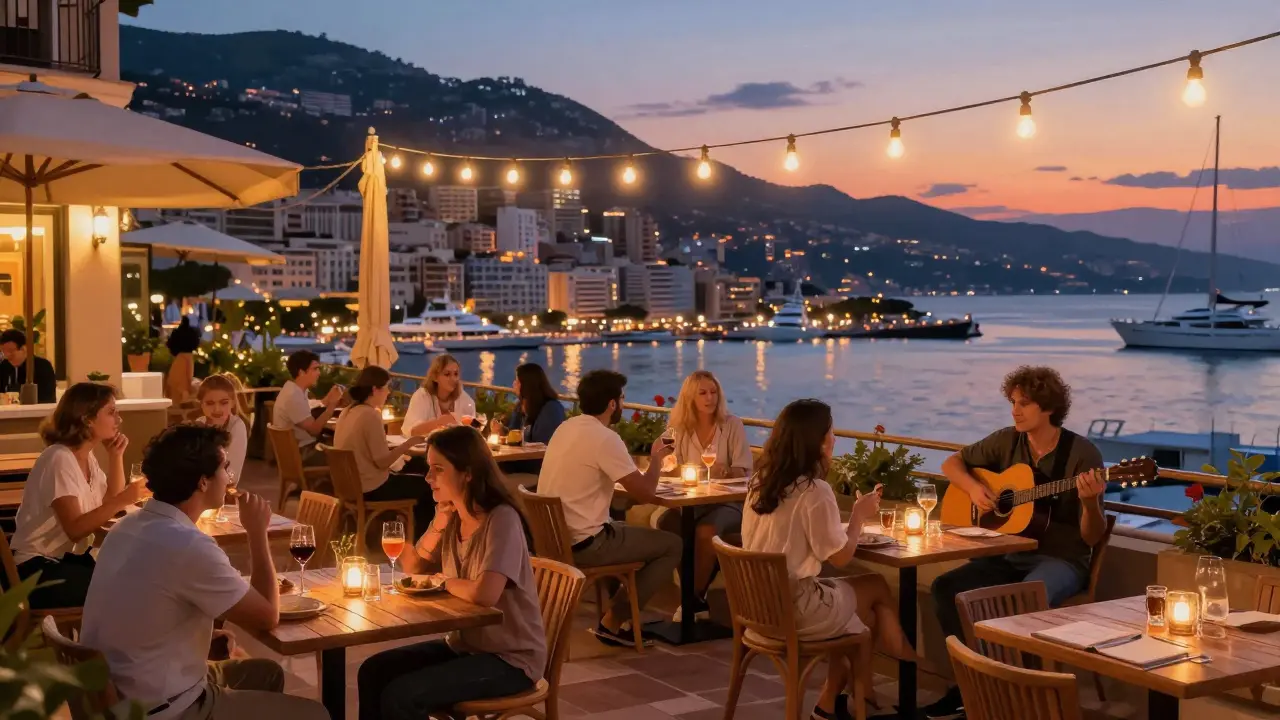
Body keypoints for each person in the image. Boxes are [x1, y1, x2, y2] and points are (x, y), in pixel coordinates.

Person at [81, 424, 329, 720]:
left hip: (120, 689)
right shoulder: (187, 545)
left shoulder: (127, 527)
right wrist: (257, 534)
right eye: (225, 467)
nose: (229, 477)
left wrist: (192, 637)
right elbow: (266, 617)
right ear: (202, 482)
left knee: (266, 673)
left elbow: (143, 608)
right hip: (162, 707)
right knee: (314, 714)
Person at [923, 366, 1106, 720]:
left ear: (1049, 408)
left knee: (1020, 601)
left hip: (1060, 560)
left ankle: (1012, 698)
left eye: (1024, 403)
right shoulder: (1008, 440)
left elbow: (1091, 537)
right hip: (1007, 553)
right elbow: (952, 463)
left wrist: (1088, 502)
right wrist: (974, 489)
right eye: (1013, 402)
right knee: (947, 587)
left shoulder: (1083, 455)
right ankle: (969, 687)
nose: (1015, 410)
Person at [742, 399, 916, 720]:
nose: (835, 438)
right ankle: (890, 666)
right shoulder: (815, 490)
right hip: (796, 611)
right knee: (874, 590)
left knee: (866, 614)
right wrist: (859, 517)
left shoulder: (759, 483)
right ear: (818, 440)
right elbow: (840, 557)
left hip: (758, 608)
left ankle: (835, 701)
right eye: (831, 431)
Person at [357, 426, 545, 720]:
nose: (428, 478)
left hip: (510, 659)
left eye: (438, 469)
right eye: (429, 469)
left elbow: (485, 594)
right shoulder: (456, 515)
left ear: (467, 472)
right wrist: (441, 519)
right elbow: (415, 567)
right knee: (373, 671)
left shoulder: (501, 519)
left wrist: (443, 581)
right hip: (465, 646)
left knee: (402, 695)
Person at [537, 369, 681, 646]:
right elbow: (646, 493)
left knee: (622, 525)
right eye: (623, 399)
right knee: (672, 545)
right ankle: (614, 619)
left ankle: (616, 614)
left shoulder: (566, 428)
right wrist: (656, 459)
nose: (624, 405)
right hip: (587, 544)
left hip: (556, 540)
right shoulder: (604, 438)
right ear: (613, 404)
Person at [8, 383, 150, 608]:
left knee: (140, 574)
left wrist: (115, 457)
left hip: (65, 561)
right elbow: (75, 529)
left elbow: (106, 506)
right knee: (128, 586)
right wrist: (124, 498)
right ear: (87, 419)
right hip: (35, 570)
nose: (119, 419)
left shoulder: (87, 459)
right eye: (111, 412)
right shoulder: (58, 458)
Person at [654, 370, 753, 621]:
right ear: (690, 398)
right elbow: (673, 466)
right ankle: (697, 598)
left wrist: (726, 470)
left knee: (706, 531)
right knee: (668, 523)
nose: (710, 398)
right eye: (703, 393)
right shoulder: (680, 429)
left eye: (713, 392)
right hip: (694, 500)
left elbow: (744, 470)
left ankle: (690, 599)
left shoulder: (732, 425)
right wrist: (666, 461)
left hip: (729, 502)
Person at [333, 365, 432, 535]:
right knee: (427, 485)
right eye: (386, 388)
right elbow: (382, 462)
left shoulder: (347, 411)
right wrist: (409, 444)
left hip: (350, 486)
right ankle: (420, 541)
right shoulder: (370, 415)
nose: (388, 393)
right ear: (375, 389)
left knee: (417, 466)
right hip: (371, 488)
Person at [272, 350, 343, 465]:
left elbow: (309, 407)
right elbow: (314, 430)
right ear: (301, 372)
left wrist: (328, 399)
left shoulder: (293, 390)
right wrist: (332, 406)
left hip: (300, 449)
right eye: (315, 369)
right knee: (348, 456)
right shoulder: (293, 396)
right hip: (303, 454)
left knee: (340, 447)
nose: (319, 373)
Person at [403, 354, 476, 437]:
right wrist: (439, 422)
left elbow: (473, 427)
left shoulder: (463, 398)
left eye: (456, 374)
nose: (453, 379)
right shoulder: (422, 396)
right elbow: (412, 431)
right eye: (447, 374)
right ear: (435, 377)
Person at [196, 374, 249, 481]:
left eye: (223, 403)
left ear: (233, 403)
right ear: (201, 404)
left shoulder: (236, 427)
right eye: (210, 403)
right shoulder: (198, 424)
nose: (217, 409)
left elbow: (232, 475)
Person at [503, 363, 565, 445]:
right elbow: (513, 433)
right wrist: (502, 430)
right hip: (522, 455)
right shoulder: (521, 406)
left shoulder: (551, 409)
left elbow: (543, 443)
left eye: (517, 381)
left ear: (527, 385)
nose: (514, 384)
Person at [0, 328, 56, 403]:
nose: (7, 356)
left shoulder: (42, 366)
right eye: (4, 352)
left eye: (10, 351)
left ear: (23, 349)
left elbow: (48, 398)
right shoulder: (3, 366)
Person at [165, 317, 202, 404]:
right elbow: (180, 381)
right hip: (179, 400)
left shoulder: (183, 358)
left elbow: (178, 380)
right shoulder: (185, 358)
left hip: (178, 400)